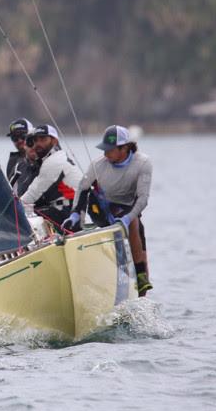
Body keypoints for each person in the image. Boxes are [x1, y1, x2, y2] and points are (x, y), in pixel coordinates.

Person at [62, 125, 153, 296]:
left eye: (110, 150)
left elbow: (143, 199)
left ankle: (141, 281)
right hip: (100, 207)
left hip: (129, 210)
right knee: (123, 223)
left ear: (124, 148)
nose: (105, 154)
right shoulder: (98, 165)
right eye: (104, 149)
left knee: (136, 227)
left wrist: (127, 219)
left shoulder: (143, 163)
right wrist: (75, 213)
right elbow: (82, 189)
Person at [19, 124, 82, 226]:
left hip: (69, 213)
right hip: (69, 210)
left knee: (27, 219)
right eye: (35, 140)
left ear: (54, 141)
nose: (38, 144)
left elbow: (32, 195)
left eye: (43, 139)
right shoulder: (56, 157)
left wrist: (10, 211)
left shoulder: (54, 161)